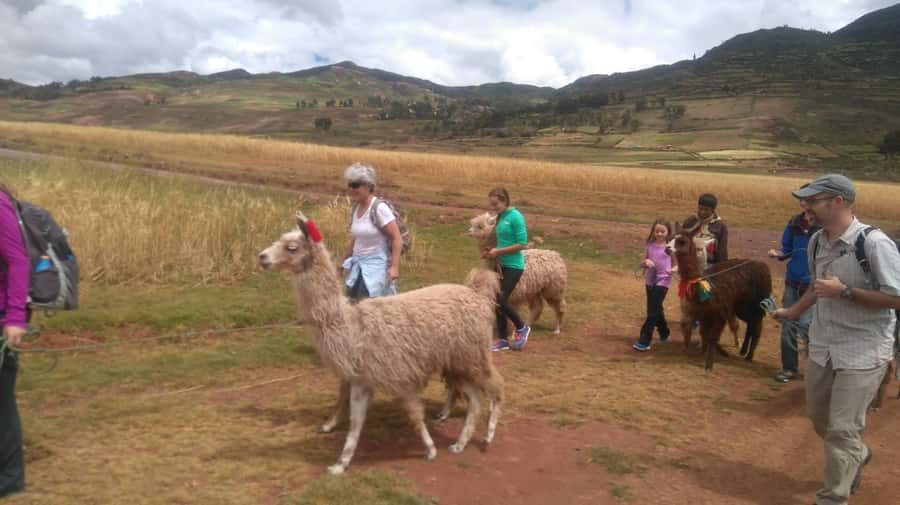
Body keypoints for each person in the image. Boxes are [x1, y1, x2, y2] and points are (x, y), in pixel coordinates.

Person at [774, 174, 900, 505]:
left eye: (813, 200)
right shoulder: (817, 240)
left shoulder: (874, 244)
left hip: (863, 352)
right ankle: (857, 453)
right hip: (823, 347)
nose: (806, 206)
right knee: (818, 417)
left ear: (838, 202)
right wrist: (792, 311)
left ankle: (833, 498)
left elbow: (896, 297)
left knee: (842, 428)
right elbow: (818, 289)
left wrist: (844, 292)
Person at [767, 194, 819, 383]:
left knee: (807, 326)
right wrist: (778, 254)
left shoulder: (824, 226)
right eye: (801, 199)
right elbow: (787, 247)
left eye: (807, 198)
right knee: (788, 323)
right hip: (792, 281)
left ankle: (815, 370)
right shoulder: (794, 222)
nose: (803, 202)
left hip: (813, 285)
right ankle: (789, 368)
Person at [0, 182, 29, 497]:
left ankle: (10, 477)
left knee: (0, 400)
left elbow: (18, 261)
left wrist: (15, 319)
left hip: (2, 316)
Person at [339, 163, 403, 301]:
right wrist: (342, 262)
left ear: (368, 186)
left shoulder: (379, 208)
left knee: (368, 310)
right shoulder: (357, 208)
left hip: (375, 270)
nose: (351, 189)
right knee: (352, 307)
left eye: (355, 185)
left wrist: (394, 267)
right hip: (358, 268)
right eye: (349, 185)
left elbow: (397, 238)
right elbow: (356, 239)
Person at [485, 188, 531, 352]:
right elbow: (503, 240)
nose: (493, 207)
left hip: (514, 266)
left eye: (496, 204)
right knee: (496, 302)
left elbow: (522, 244)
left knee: (501, 299)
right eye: (491, 204)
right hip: (501, 265)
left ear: (505, 200)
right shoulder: (501, 216)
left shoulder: (516, 217)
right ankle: (503, 339)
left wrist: (499, 251)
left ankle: (521, 327)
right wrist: (491, 250)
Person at [633, 219, 674, 352]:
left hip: (663, 281)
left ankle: (644, 340)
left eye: (663, 231)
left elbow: (676, 264)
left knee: (652, 312)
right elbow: (644, 261)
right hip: (650, 280)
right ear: (653, 231)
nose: (660, 234)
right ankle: (664, 333)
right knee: (656, 309)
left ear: (668, 232)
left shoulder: (670, 248)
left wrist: (672, 270)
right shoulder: (650, 245)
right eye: (657, 231)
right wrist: (646, 262)